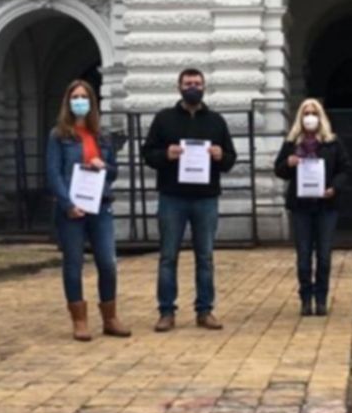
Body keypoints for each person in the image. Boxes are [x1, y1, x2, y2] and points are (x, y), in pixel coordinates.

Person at [141, 69, 237, 332]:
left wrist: (221, 155)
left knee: (205, 257)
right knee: (168, 256)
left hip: (206, 198)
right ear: (179, 87)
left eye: (197, 83)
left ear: (204, 87)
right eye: (188, 83)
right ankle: (166, 311)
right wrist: (166, 154)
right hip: (172, 197)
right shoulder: (164, 119)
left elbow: (231, 158)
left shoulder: (216, 121)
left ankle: (205, 311)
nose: (192, 87)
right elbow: (148, 154)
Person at [46, 80, 129, 341]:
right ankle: (79, 320)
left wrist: (103, 166)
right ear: (68, 102)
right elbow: (53, 173)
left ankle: (110, 317)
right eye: (75, 97)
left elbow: (113, 173)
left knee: (108, 262)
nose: (79, 101)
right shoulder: (58, 135)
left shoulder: (102, 136)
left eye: (84, 97)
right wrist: (67, 204)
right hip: (72, 209)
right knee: (74, 263)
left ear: (92, 102)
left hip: (100, 205)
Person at [273, 99, 350, 317]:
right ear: (300, 117)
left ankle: (321, 298)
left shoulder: (332, 142)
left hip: (326, 205)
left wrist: (334, 188)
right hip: (301, 207)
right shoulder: (291, 143)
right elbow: (279, 169)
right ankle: (306, 298)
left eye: (314, 113)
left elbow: (344, 169)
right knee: (303, 256)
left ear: (320, 116)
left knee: (324, 255)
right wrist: (288, 163)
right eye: (306, 113)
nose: (310, 117)